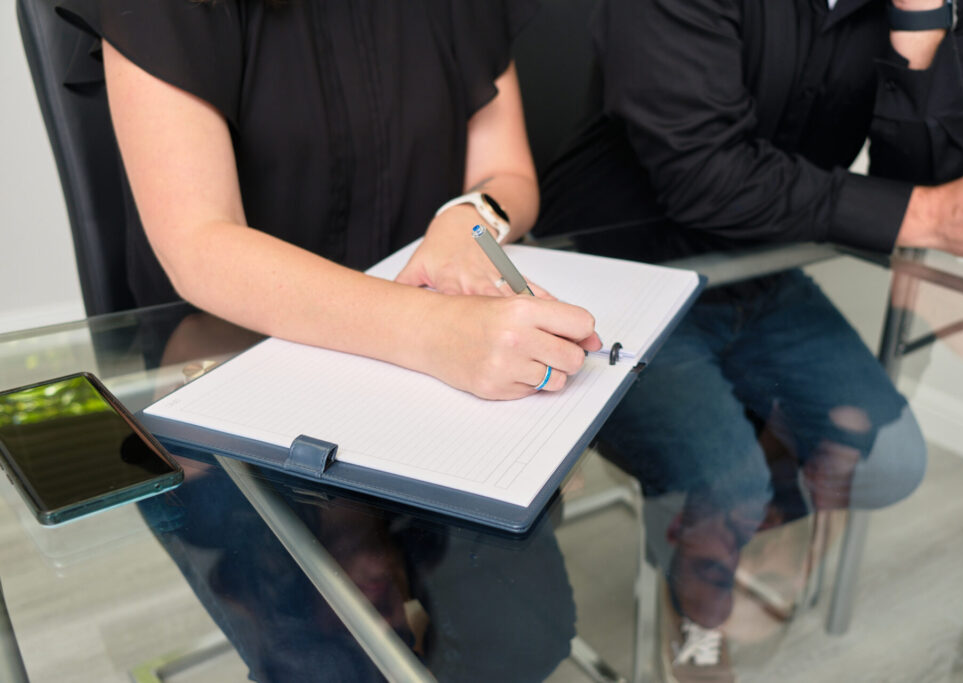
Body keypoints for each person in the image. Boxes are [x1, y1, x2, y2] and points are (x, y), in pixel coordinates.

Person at [535, 0, 963, 678]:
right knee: (726, 478)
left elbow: (932, 192)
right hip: (618, 277)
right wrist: (931, 213)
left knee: (889, 461)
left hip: (765, 265)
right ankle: (707, 564)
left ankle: (728, 518)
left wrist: (921, 22)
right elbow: (705, 177)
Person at [57, 0, 601, 403]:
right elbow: (198, 245)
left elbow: (507, 174)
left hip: (425, 373)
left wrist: (467, 217)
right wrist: (435, 329)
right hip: (230, 362)